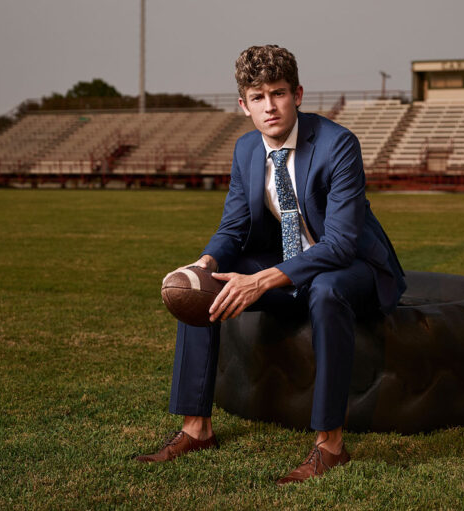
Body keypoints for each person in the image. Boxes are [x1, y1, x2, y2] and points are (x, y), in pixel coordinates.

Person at [136, 45, 405, 486]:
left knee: (325, 289)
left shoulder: (338, 145)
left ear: (297, 94)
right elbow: (234, 226)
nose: (270, 106)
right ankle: (196, 429)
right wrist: (203, 262)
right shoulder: (246, 150)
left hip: (353, 267)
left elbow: (339, 245)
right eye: (257, 97)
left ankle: (330, 446)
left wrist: (261, 281)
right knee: (203, 285)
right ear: (243, 105)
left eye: (278, 94)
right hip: (289, 258)